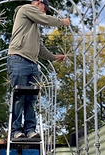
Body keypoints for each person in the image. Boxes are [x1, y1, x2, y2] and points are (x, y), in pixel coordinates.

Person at [7, 0, 70, 139]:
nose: (44, 12)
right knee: (19, 97)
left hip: (32, 63)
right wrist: (62, 22)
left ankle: (30, 130)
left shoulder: (33, 28)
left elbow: (40, 48)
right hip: (18, 58)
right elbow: (45, 19)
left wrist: (53, 57)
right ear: (38, 2)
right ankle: (16, 131)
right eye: (45, 9)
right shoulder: (25, 9)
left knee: (31, 98)